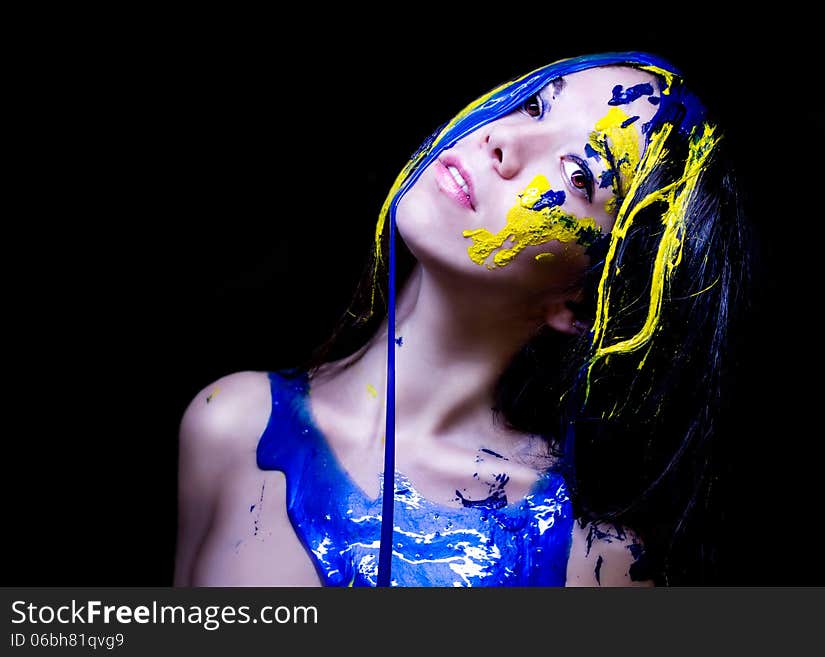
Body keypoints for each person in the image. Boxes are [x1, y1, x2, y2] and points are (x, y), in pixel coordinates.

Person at [173, 52, 749, 587]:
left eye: (578, 174)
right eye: (535, 104)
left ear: (578, 303)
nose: (502, 140)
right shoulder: (230, 425)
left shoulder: (588, 558)